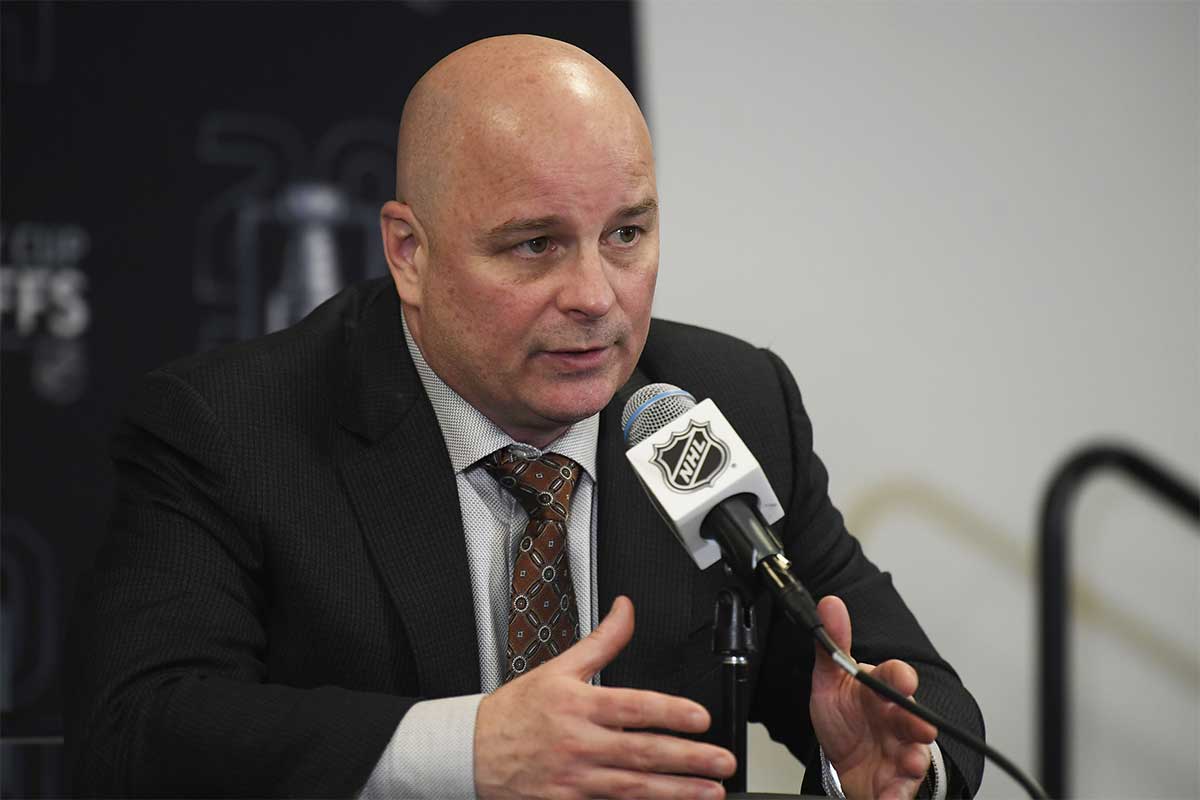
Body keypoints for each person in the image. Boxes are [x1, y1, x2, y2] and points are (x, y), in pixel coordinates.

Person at [66, 35, 984, 799]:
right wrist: (469, 750)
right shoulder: (233, 429)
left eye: (627, 233)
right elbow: (137, 727)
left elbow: (917, 695)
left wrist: (882, 764)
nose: (595, 296)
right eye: (535, 244)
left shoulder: (721, 405)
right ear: (409, 252)